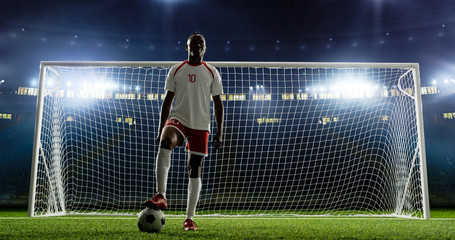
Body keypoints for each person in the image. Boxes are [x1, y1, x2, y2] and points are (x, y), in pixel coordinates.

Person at [145, 33, 224, 231]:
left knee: (194, 168)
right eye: (194, 42)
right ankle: (161, 195)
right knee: (165, 140)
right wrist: (161, 126)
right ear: (186, 46)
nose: (197, 45)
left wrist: (219, 131)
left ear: (204, 48)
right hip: (179, 118)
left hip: (200, 124)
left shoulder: (212, 72)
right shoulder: (176, 69)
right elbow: (167, 101)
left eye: (201, 43)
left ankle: (189, 218)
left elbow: (218, 104)